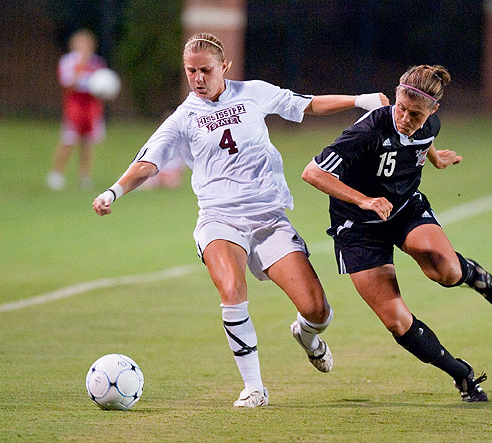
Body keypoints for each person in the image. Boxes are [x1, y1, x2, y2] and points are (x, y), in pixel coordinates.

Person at [92, 32, 389, 408]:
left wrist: (360, 101)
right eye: (190, 71)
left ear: (224, 67)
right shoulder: (183, 118)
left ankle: (309, 337)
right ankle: (254, 388)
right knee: (232, 292)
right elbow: (148, 162)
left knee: (317, 309)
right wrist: (113, 192)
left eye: (205, 70)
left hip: (268, 219)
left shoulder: (253, 92)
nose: (198, 78)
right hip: (219, 219)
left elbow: (308, 104)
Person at [302, 64, 492, 402]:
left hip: (403, 210)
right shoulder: (369, 130)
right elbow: (312, 173)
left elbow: (423, 139)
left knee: (446, 271)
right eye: (400, 107)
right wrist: (364, 200)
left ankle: (472, 274)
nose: (405, 118)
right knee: (397, 321)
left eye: (415, 113)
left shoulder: (430, 124)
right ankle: (462, 375)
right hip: (357, 228)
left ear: (432, 111)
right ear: (395, 97)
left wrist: (436, 158)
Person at [47, 29, 107, 190]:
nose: (85, 47)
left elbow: (103, 85)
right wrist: (80, 67)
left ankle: (84, 176)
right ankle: (56, 174)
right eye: (81, 44)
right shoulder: (68, 61)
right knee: (69, 139)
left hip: (92, 104)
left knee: (88, 142)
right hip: (75, 103)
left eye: (87, 44)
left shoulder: (97, 62)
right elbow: (68, 85)